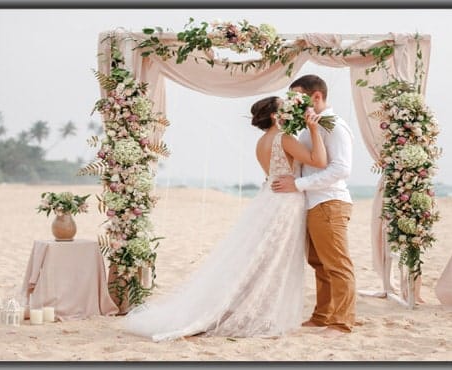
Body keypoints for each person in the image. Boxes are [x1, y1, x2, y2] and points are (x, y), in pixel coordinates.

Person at [123, 96, 327, 341]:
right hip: (285, 203)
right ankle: (258, 313)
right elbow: (319, 161)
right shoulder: (283, 138)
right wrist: (314, 129)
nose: (289, 109)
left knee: (261, 259)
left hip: (269, 198)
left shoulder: (263, 141)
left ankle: (251, 307)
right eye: (284, 106)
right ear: (275, 115)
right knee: (274, 260)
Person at [271, 74, 356, 336]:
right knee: (319, 263)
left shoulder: (335, 126)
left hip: (329, 202)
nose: (294, 104)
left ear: (316, 96)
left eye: (298, 98)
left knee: (337, 265)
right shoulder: (313, 127)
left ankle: (342, 322)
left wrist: (297, 185)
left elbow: (341, 169)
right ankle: (322, 316)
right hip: (313, 203)